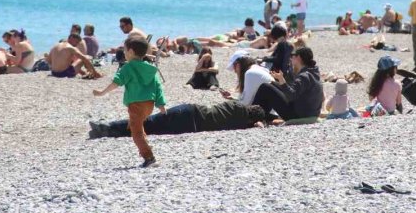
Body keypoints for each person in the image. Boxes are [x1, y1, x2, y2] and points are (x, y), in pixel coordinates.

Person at [93, 35, 166, 168]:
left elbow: (116, 83)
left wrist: (102, 92)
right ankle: (144, 144)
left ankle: (149, 157)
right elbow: (158, 85)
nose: (124, 53)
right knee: (138, 127)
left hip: (136, 105)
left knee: (135, 132)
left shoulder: (128, 67)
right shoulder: (149, 68)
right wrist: (161, 103)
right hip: (149, 105)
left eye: (125, 51)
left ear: (131, 52)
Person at [89, 101, 266, 139]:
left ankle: (109, 127)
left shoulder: (236, 106)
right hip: (191, 125)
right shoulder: (242, 125)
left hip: (192, 109)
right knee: (151, 127)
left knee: (149, 121)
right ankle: (110, 129)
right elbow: (250, 125)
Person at [251, 47, 324, 122]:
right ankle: (261, 117)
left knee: (265, 87)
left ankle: (252, 117)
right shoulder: (313, 73)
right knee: (272, 85)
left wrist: (282, 81)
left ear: (298, 58)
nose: (291, 60)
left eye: (292, 57)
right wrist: (279, 82)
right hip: (309, 112)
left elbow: (291, 95)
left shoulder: (304, 76)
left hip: (298, 115)